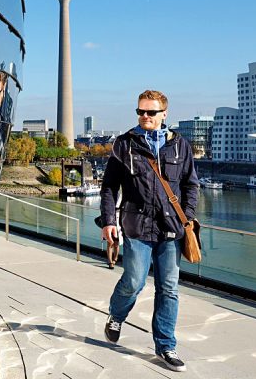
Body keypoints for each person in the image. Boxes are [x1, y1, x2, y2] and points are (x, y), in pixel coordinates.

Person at [98, 90, 198, 372]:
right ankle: (116, 315)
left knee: (169, 288)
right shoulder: (125, 144)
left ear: (164, 114)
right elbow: (108, 187)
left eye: (150, 112)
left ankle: (165, 345)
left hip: (170, 229)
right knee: (134, 281)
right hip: (136, 226)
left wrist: (186, 217)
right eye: (140, 111)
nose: (144, 116)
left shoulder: (180, 146)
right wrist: (108, 221)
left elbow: (191, 185)